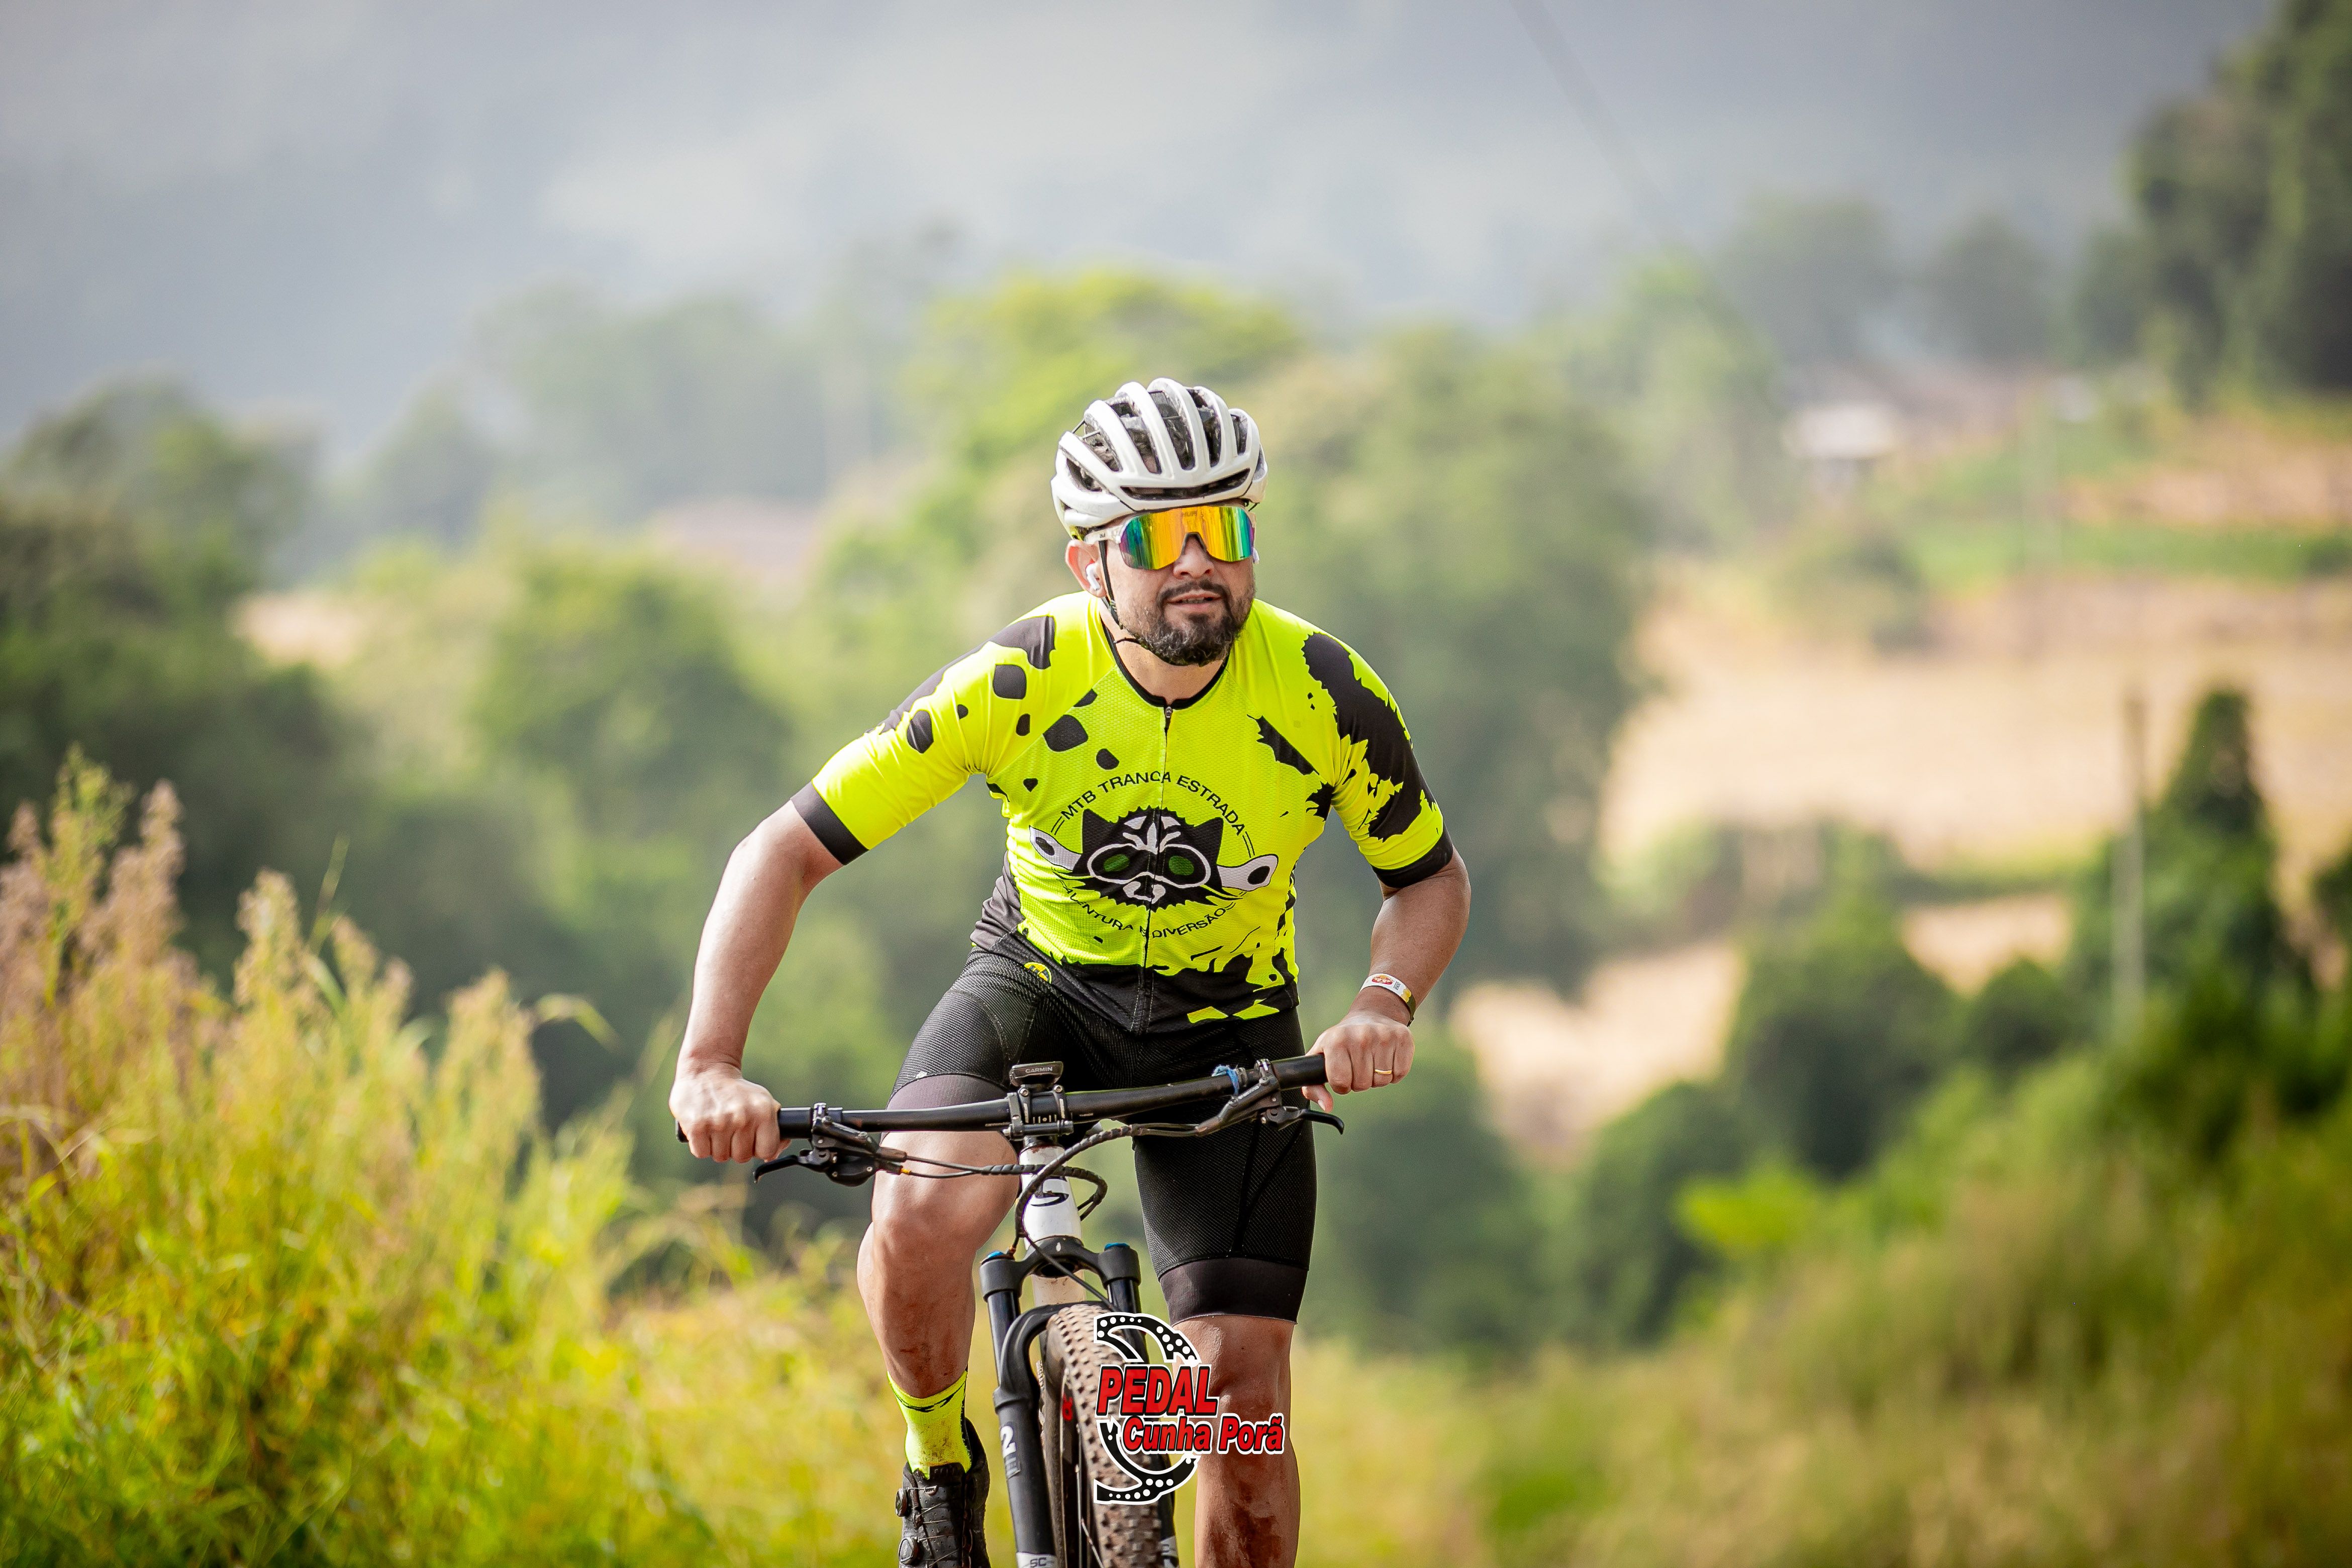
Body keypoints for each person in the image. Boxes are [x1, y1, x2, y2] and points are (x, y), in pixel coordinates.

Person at [671, 378, 1472, 1568]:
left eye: (1224, 527)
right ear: (1089, 563)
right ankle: (938, 1466)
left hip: (1231, 1024)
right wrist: (709, 1062)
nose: (1198, 561)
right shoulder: (1018, 679)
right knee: (924, 1217)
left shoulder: (1324, 691)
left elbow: (1429, 880)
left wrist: (1381, 1002)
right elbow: (781, 852)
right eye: (1157, 537)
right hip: (1039, 991)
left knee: (1244, 1409)